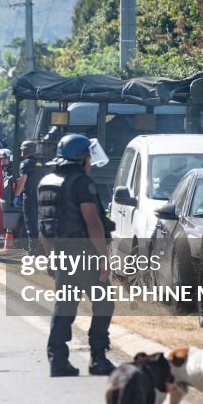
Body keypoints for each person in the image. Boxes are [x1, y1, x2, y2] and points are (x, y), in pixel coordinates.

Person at [37, 134, 116, 377]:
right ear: (81, 158)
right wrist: (103, 258)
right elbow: (93, 223)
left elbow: (43, 226)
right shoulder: (81, 183)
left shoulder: (47, 182)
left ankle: (57, 360)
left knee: (65, 306)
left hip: (61, 253)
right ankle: (98, 358)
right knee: (104, 302)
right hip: (84, 253)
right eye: (89, 156)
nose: (90, 161)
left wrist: (50, 256)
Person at [14, 141, 43, 253]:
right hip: (40, 195)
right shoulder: (39, 163)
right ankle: (41, 248)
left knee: (30, 222)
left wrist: (16, 195)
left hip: (29, 196)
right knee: (39, 221)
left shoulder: (25, 163)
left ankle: (32, 249)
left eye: (22, 150)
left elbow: (22, 181)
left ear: (25, 151)